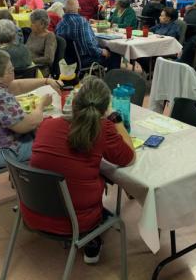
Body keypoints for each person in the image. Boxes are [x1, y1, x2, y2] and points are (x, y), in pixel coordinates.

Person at [24, 76, 135, 263]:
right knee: (95, 177)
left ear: (74, 102)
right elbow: (129, 157)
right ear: (104, 109)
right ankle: (92, 238)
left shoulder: (47, 125)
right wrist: (115, 120)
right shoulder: (103, 129)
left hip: (33, 211)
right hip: (76, 222)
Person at [0, 48, 63, 167]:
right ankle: (40, 181)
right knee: (52, 141)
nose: (14, 70)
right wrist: (41, 104)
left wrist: (45, 81)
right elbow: (26, 125)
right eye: (10, 70)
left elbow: (16, 86)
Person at [56, 0, 119, 69]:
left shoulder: (60, 24)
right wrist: (101, 52)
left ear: (64, 10)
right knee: (115, 53)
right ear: (79, 9)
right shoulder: (81, 22)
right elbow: (89, 46)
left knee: (106, 48)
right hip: (83, 60)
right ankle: (113, 78)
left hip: (68, 60)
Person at [136, 7, 183, 73]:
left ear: (168, 18)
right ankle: (151, 70)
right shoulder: (160, 25)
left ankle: (153, 70)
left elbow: (169, 39)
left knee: (142, 55)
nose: (159, 17)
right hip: (155, 47)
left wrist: (155, 36)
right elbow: (149, 30)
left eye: (161, 16)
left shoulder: (174, 28)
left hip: (166, 50)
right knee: (138, 53)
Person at [26, 10, 57, 77]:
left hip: (39, 70)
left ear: (42, 24)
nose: (30, 25)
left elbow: (49, 59)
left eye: (33, 22)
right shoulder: (33, 33)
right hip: (28, 66)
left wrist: (31, 61)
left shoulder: (49, 36)